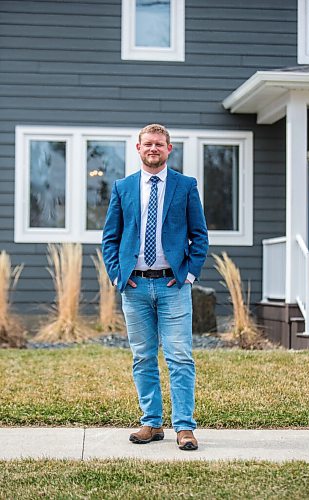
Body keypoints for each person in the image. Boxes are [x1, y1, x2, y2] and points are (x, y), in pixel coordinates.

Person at [102, 124, 209, 451]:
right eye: (147, 144)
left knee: (179, 357)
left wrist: (189, 275)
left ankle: (184, 427)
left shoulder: (185, 185)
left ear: (168, 149)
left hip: (173, 286)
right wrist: (119, 277)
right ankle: (151, 422)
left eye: (159, 144)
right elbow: (110, 238)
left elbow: (199, 235)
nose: (153, 148)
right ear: (138, 148)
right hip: (134, 288)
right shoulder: (123, 188)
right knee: (143, 357)